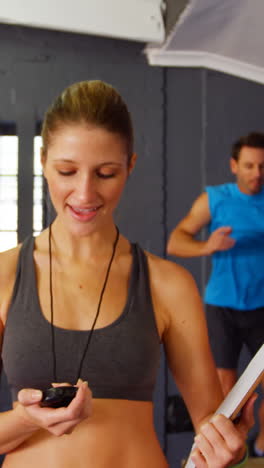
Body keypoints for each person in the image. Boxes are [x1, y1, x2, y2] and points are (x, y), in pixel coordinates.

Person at [0, 81, 254, 468]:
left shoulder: (166, 284)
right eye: (67, 171)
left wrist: (226, 446)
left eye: (105, 173)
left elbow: (208, 422)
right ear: (42, 160)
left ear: (130, 166)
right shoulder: (5, 274)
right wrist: (25, 418)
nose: (84, 194)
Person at [167, 131, 264, 459]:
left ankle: (261, 447)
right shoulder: (215, 199)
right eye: (249, 165)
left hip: (261, 305)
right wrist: (207, 246)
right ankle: (228, 456)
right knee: (227, 387)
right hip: (223, 304)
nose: (256, 173)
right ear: (234, 165)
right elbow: (176, 241)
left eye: (262, 166)